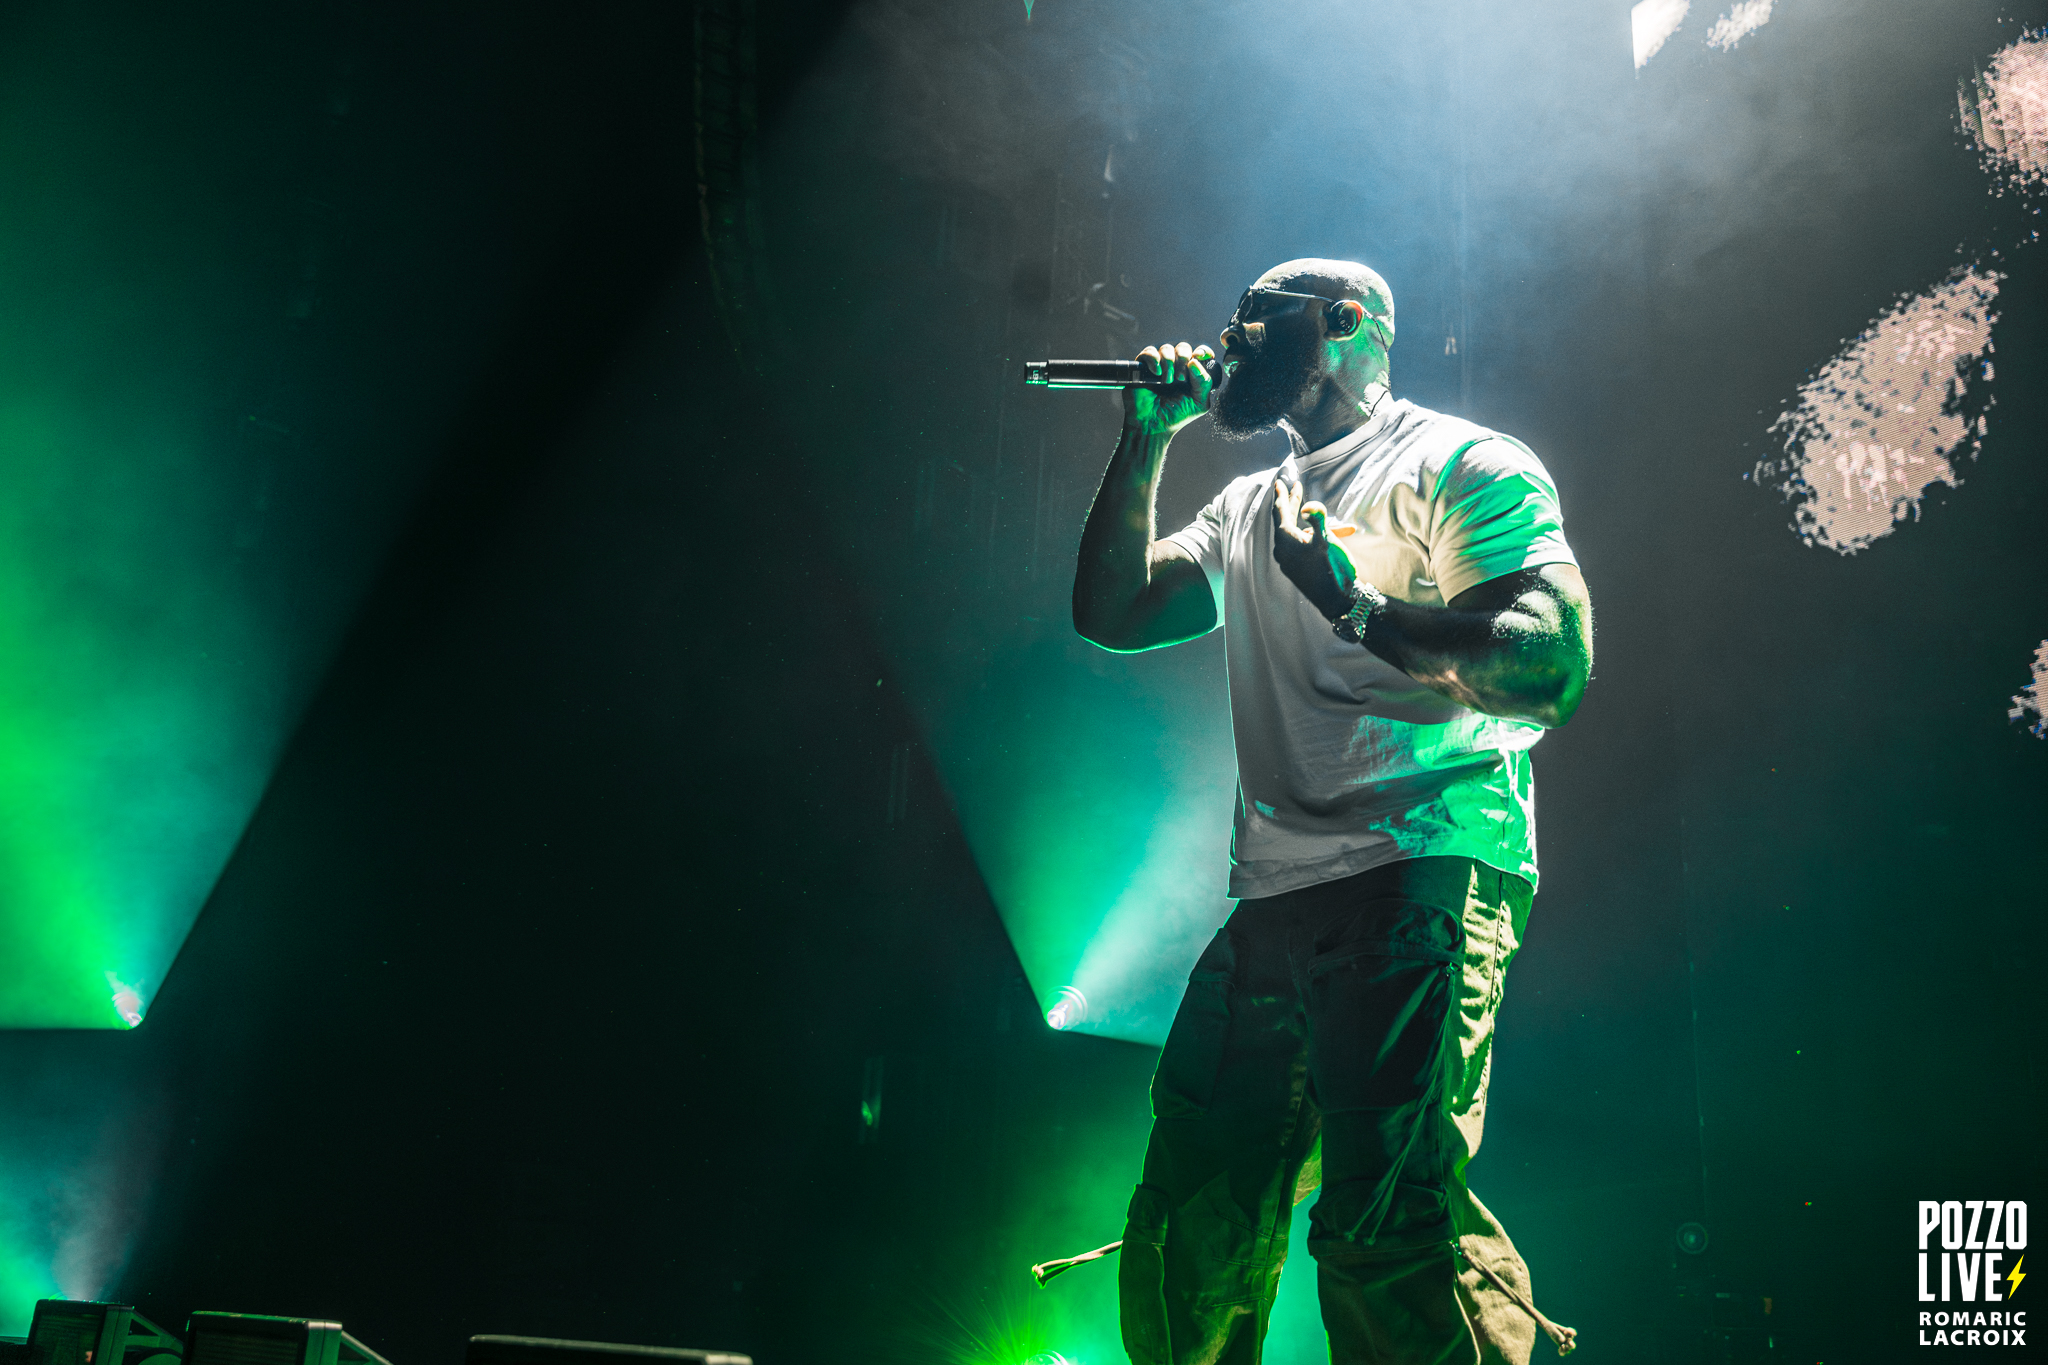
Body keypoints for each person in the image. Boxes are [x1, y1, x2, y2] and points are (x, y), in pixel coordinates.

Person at [1071, 258, 1593, 1365]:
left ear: (1344, 324)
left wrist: (1352, 601)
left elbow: (1547, 664)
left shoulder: (1459, 463)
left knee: (1386, 1224)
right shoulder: (1247, 504)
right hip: (1274, 893)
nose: (1229, 334)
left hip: (1420, 866)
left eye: (1259, 317)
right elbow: (1113, 610)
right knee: (1193, 1220)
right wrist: (1146, 438)